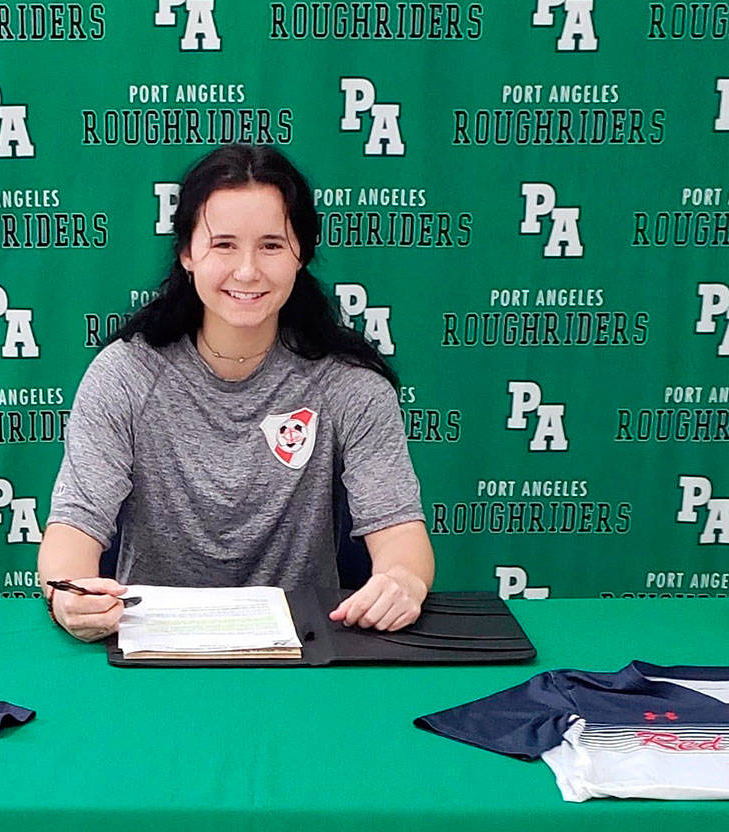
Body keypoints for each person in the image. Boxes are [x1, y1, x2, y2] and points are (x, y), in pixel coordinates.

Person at [38, 144, 434, 642]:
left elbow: (400, 531)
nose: (247, 271)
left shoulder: (351, 384)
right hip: (149, 648)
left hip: (305, 652)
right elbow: (74, 524)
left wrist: (402, 582)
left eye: (271, 245)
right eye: (223, 245)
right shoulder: (125, 374)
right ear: (187, 252)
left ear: (301, 254)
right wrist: (68, 594)